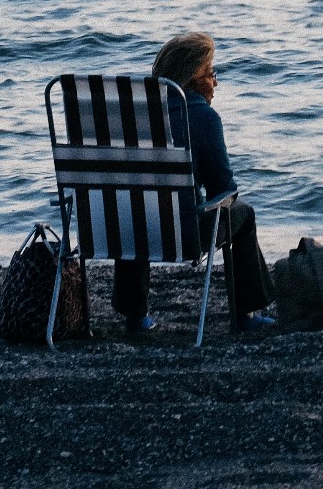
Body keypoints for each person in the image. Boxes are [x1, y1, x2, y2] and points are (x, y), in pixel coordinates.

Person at [111, 31, 277, 333]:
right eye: (210, 73)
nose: (215, 83)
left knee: (133, 205)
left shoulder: (129, 115)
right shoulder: (202, 116)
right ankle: (245, 315)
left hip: (119, 233)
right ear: (191, 79)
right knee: (242, 213)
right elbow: (222, 189)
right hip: (181, 237)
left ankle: (135, 315)